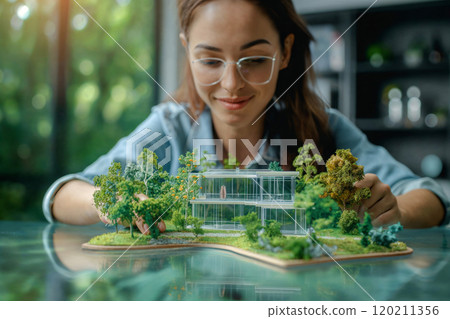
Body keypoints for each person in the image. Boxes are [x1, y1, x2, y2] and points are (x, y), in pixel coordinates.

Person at [43, 0, 449, 234]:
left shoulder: (322, 129)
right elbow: (63, 194)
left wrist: (396, 208)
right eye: (210, 59)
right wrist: (109, 200)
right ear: (187, 51)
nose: (231, 84)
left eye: (254, 60)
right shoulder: (170, 128)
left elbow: (431, 196)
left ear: (285, 52)